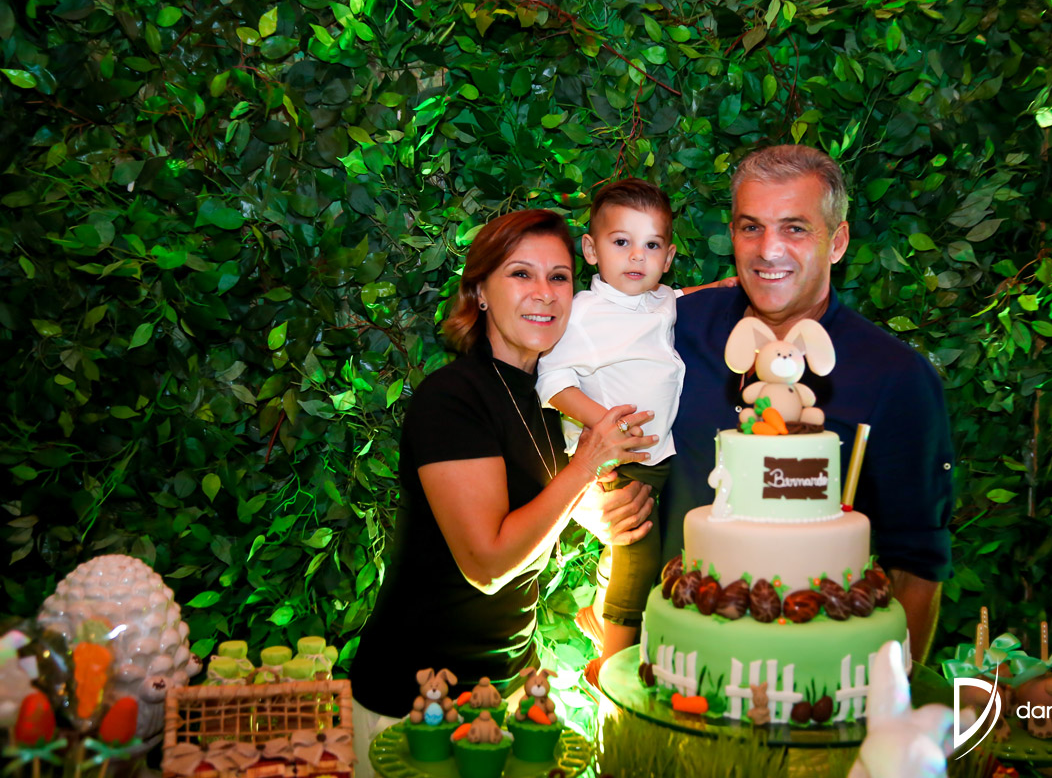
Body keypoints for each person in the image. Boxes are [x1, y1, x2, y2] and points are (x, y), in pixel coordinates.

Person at [349, 209, 655, 762]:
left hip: (505, 690)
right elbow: (488, 565)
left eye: (559, 277)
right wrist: (586, 465)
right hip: (419, 702)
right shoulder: (453, 399)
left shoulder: (542, 399)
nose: (544, 293)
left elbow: (532, 501)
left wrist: (594, 511)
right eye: (520, 274)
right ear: (481, 292)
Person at [659, 145, 955, 662]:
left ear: (837, 242)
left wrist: (884, 696)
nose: (768, 250)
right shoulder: (675, 330)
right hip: (678, 657)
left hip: (818, 672)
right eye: (751, 227)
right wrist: (600, 496)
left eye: (794, 229)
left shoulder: (896, 377)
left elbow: (917, 566)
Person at [535, 179, 684, 681]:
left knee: (659, 558)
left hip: (659, 456)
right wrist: (603, 424)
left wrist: (725, 287)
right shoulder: (582, 313)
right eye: (622, 242)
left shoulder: (661, 301)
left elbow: (684, 297)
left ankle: (603, 614)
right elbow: (551, 380)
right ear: (592, 249)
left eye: (652, 245)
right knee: (636, 554)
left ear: (668, 257)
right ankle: (612, 669)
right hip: (614, 461)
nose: (637, 256)